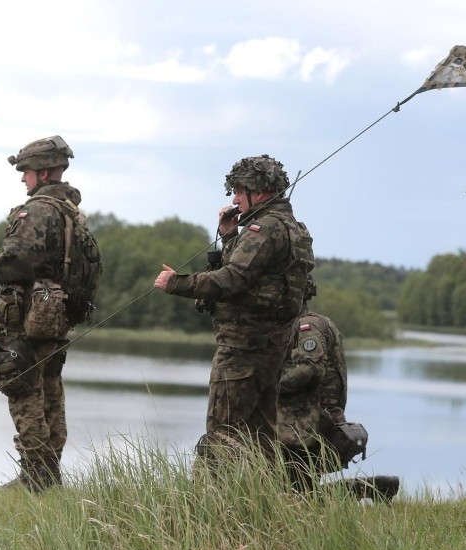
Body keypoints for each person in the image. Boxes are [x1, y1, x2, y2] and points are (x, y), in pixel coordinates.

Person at [153, 154, 314, 472]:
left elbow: (232, 279)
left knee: (222, 435)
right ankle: (264, 505)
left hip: (243, 349)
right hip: (273, 349)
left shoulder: (264, 227)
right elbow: (254, 273)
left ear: (260, 191)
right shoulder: (293, 227)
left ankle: (209, 511)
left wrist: (177, 283)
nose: (235, 198)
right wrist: (229, 236)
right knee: (261, 437)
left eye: (240, 190)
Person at [0, 135, 100, 492]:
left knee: (22, 389)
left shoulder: (37, 210)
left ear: (45, 172)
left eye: (27, 172)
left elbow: (18, 261)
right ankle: (49, 476)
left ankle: (35, 476)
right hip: (57, 315)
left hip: (29, 316)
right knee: (51, 391)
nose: (23, 179)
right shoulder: (72, 214)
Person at [277, 275, 399, 502]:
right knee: (300, 491)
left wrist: (269, 386)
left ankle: (372, 488)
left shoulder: (307, 326)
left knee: (297, 497)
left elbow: (310, 369)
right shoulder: (316, 322)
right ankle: (375, 487)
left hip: (308, 424)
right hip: (310, 421)